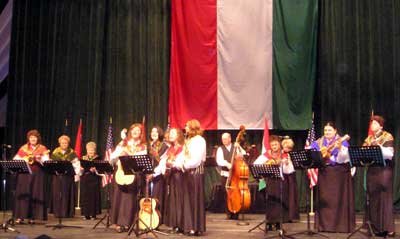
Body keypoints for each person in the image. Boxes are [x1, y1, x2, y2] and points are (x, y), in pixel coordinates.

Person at [310, 122, 355, 233]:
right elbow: (311, 154)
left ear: (335, 131)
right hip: (324, 174)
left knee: (337, 200)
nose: (327, 132)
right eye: (325, 130)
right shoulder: (319, 142)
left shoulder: (342, 141)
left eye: (329, 130)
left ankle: (340, 226)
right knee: (325, 200)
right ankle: (324, 226)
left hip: (339, 174)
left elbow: (346, 158)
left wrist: (339, 150)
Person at [109, 123, 147, 233]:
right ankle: (118, 222)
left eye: (138, 130)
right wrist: (120, 153)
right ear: (130, 132)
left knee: (130, 199)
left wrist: (130, 154)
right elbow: (112, 159)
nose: (136, 132)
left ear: (141, 133)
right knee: (119, 197)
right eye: (133, 130)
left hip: (134, 175)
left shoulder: (143, 146)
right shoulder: (122, 143)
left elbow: (141, 161)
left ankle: (129, 223)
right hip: (121, 173)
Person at [362, 115, 395, 237]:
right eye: (372, 123)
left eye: (375, 123)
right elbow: (363, 151)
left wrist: (378, 146)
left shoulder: (387, 136)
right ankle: (375, 227)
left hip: (384, 169)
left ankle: (387, 227)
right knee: (374, 198)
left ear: (381, 126)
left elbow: (390, 154)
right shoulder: (369, 138)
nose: (372, 125)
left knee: (384, 198)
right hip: (372, 170)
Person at [150, 127, 185, 232]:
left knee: (180, 200)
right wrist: (154, 173)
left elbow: (182, 162)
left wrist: (172, 164)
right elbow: (162, 163)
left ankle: (181, 224)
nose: (170, 135)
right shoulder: (170, 149)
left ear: (179, 135)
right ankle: (175, 225)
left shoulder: (183, 148)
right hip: (172, 177)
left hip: (180, 177)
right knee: (173, 200)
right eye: (170, 133)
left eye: (173, 133)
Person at [13, 130, 49, 224]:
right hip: (24, 174)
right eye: (31, 137)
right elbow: (15, 159)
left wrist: (39, 158)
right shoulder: (24, 148)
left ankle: (33, 217)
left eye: (35, 137)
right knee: (24, 193)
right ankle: (21, 216)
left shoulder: (42, 148)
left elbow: (47, 161)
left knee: (35, 194)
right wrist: (24, 159)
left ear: (38, 138)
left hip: (37, 175)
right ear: (29, 138)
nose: (33, 139)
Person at [254, 135, 288, 231]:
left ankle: (277, 223)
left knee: (278, 202)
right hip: (267, 181)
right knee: (268, 201)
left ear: (279, 144)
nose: (274, 146)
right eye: (272, 145)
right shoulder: (265, 155)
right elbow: (256, 165)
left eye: (276, 144)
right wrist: (266, 164)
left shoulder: (284, 155)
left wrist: (285, 163)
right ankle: (269, 222)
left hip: (278, 181)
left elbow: (288, 171)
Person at [182, 119, 206, 236]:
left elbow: (196, 160)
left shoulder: (199, 140)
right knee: (189, 201)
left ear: (192, 128)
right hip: (188, 173)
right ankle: (190, 226)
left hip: (195, 173)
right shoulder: (189, 140)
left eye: (186, 126)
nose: (185, 128)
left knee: (195, 200)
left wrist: (185, 165)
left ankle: (196, 227)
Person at [50, 135, 81, 218]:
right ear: (59, 143)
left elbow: (76, 164)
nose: (64, 144)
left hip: (68, 177)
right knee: (57, 193)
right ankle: (57, 212)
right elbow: (52, 163)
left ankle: (67, 212)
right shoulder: (55, 152)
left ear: (68, 143)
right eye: (62, 143)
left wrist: (76, 173)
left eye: (66, 143)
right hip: (57, 176)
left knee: (67, 194)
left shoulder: (72, 152)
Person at [148, 125, 169, 222]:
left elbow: (162, 162)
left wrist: (155, 173)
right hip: (147, 175)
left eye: (156, 131)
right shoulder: (147, 145)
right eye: (152, 131)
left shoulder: (164, 146)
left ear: (160, 133)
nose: (154, 133)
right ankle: (147, 217)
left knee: (157, 196)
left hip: (158, 175)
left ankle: (158, 219)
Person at [80, 142, 102, 220]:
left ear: (94, 150)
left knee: (93, 196)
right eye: (89, 150)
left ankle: (93, 214)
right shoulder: (83, 158)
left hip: (94, 178)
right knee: (85, 196)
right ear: (87, 150)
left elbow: (101, 169)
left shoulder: (98, 158)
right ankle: (86, 214)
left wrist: (95, 169)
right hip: (85, 178)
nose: (90, 152)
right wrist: (81, 169)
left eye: (92, 150)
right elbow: (81, 168)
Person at [281, 137, 300, 222]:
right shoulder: (281, 154)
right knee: (284, 195)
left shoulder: (293, 154)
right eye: (286, 147)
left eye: (289, 148)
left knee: (292, 195)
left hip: (291, 175)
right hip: (283, 176)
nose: (287, 149)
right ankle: (284, 215)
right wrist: (283, 162)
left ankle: (292, 216)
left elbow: (296, 166)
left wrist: (291, 161)